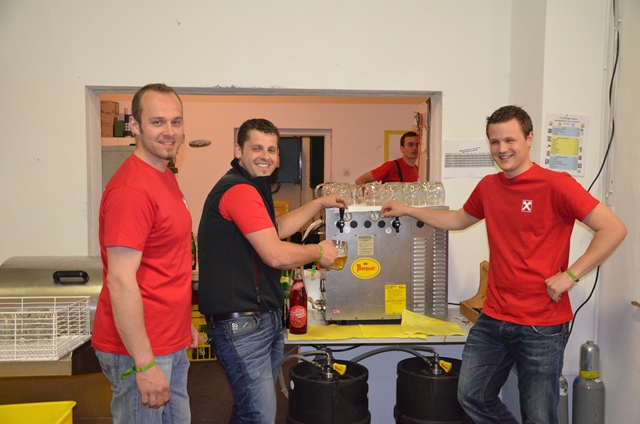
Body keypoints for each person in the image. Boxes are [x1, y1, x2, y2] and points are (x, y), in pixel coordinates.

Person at [381, 105, 626, 423]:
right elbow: (458, 219)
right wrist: (409, 209)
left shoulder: (556, 184)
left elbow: (613, 229)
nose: (502, 149)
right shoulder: (489, 186)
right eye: (495, 141)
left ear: (529, 138)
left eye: (510, 140)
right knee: (472, 395)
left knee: (538, 416)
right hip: (493, 318)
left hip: (541, 324)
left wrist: (571, 275)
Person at [198, 118, 347, 423]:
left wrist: (318, 203)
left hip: (258, 319)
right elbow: (275, 254)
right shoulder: (239, 190)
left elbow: (274, 229)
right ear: (238, 150)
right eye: (257, 148)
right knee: (259, 414)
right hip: (242, 324)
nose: (265, 156)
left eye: (272, 150)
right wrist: (318, 252)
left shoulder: (253, 186)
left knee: (250, 411)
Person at [92, 83, 199, 424]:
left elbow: (164, 262)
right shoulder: (132, 190)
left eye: (176, 122)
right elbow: (121, 281)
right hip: (140, 351)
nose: (170, 131)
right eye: (157, 122)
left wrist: (182, 324)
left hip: (168, 340)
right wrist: (144, 363)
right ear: (135, 126)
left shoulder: (164, 176)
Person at [355, 131, 420, 184]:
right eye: (410, 145)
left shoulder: (417, 169)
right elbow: (360, 181)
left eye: (417, 145)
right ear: (402, 148)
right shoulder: (391, 166)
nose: (414, 148)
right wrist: (369, 196)